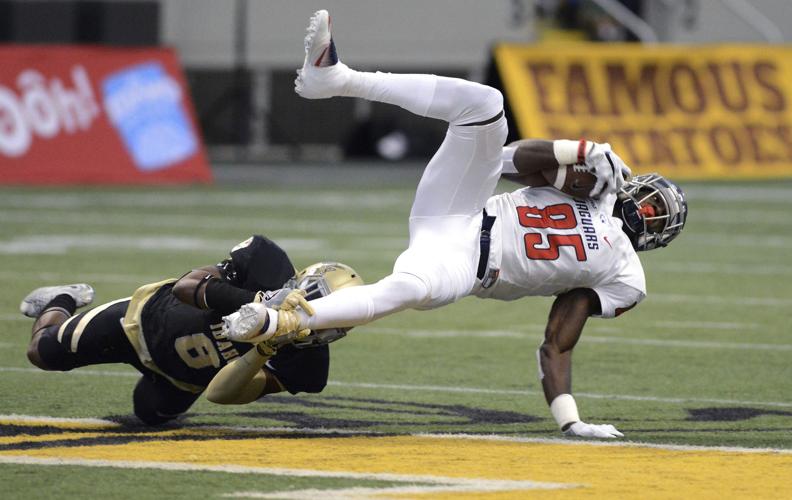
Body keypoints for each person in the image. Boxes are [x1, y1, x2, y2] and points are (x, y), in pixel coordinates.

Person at [222, 10, 688, 439]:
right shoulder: (597, 185)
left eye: (656, 215)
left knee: (404, 292)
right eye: (651, 201)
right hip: (462, 208)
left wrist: (571, 421)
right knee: (485, 103)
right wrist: (578, 150)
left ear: (658, 238)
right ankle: (336, 77)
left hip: (464, 266)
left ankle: (274, 319)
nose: (645, 210)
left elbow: (557, 344)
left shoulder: (626, 277)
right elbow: (511, 159)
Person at [20, 234, 363, 425]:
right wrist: (257, 302)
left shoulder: (309, 365)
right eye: (314, 298)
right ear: (300, 281)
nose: (317, 315)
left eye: (335, 317)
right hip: (142, 322)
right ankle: (62, 299)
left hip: (182, 377)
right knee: (43, 353)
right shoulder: (265, 264)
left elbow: (224, 394)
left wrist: (264, 349)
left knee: (149, 414)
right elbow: (188, 285)